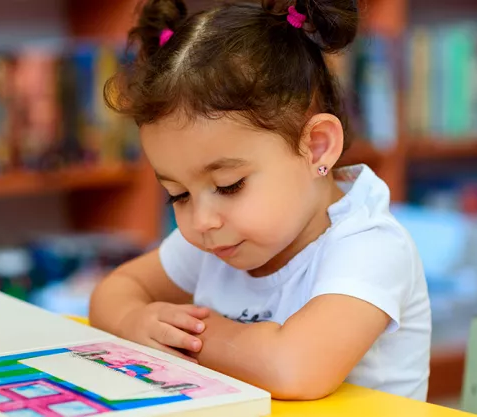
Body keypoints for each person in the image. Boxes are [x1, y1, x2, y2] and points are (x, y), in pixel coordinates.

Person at [90, 0, 431, 401]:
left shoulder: (370, 246)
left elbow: (294, 369)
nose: (202, 221)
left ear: (317, 148)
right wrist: (135, 320)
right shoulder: (217, 238)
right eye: (177, 195)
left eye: (229, 185)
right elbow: (113, 291)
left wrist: (188, 334)